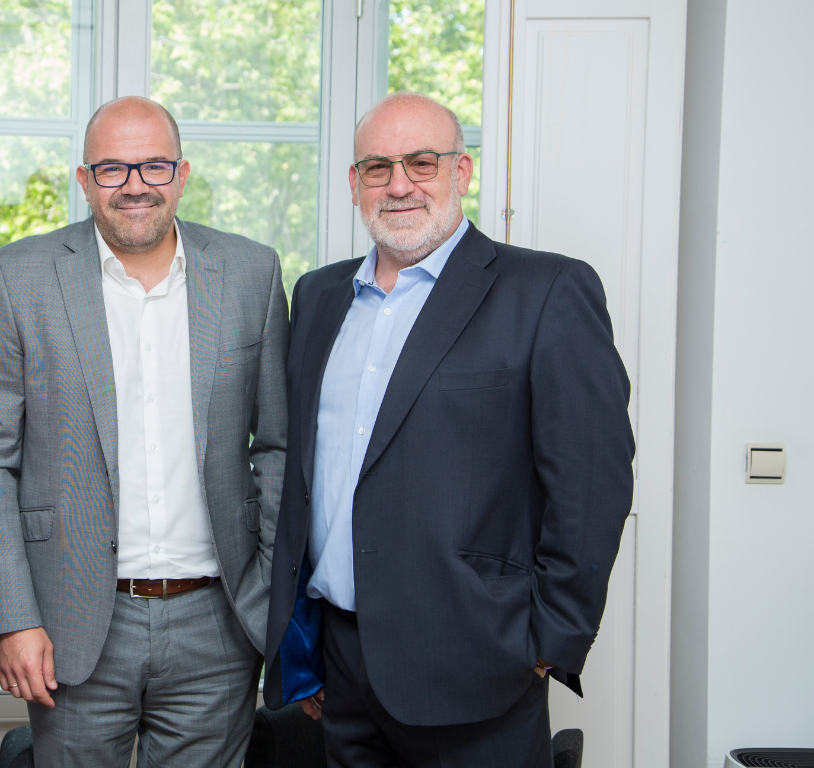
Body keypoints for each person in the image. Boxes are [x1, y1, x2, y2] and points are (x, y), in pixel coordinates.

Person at [262, 92, 635, 767]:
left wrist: (551, 640)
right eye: (377, 167)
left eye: (422, 162)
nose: (398, 184)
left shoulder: (546, 292)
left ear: (462, 172)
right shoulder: (318, 297)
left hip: (479, 665)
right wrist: (302, 643)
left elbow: (591, 483)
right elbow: (303, 478)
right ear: (354, 184)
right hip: (340, 668)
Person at [0, 96, 288, 767]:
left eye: (154, 166)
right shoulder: (18, 277)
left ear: (183, 174)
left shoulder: (252, 274)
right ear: (84, 181)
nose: (135, 184)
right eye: (112, 169)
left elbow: (277, 445)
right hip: (70, 619)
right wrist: (14, 617)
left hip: (218, 622)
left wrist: (265, 596)